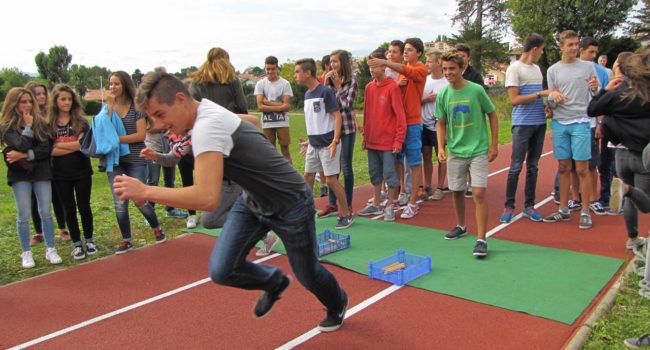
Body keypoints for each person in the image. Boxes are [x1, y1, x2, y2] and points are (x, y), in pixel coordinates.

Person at [113, 67, 349, 332]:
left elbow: (207, 198)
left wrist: (144, 191)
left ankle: (337, 302)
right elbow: (252, 121)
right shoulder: (206, 110)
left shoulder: (205, 127)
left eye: (159, 114)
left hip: (291, 203)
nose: (158, 125)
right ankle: (274, 282)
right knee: (222, 269)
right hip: (252, 201)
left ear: (180, 99)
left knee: (308, 274)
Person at [190, 47, 277, 252]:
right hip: (232, 140)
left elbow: (193, 114)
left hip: (210, 143)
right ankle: (261, 227)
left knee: (224, 201)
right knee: (235, 194)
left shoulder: (197, 83)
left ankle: (259, 227)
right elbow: (242, 112)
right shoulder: (231, 80)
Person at [435, 49, 499, 257]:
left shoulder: (476, 90)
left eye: (452, 69)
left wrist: (494, 145)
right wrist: (442, 147)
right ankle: (461, 226)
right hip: (455, 151)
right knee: (457, 191)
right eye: (444, 69)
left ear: (462, 68)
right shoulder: (443, 94)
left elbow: (492, 115)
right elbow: (441, 123)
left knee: (479, 192)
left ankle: (481, 239)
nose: (448, 73)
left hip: (478, 149)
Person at [588, 48, 650, 251]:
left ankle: (633, 238)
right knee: (646, 203)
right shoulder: (646, 95)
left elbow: (592, 110)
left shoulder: (618, 94)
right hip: (643, 154)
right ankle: (626, 190)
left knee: (630, 199)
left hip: (621, 153)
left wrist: (606, 90)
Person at [101, 71, 165, 254]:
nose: (112, 87)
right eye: (110, 84)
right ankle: (126, 240)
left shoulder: (137, 108)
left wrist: (115, 139)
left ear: (125, 85)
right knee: (120, 201)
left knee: (139, 198)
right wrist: (110, 108)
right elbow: (103, 130)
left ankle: (157, 228)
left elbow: (140, 135)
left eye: (116, 84)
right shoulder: (107, 109)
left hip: (136, 158)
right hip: (115, 161)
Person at [543, 30, 599, 230]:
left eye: (576, 44)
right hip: (560, 123)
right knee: (564, 167)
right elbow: (551, 100)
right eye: (570, 44)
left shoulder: (588, 67)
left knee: (582, 168)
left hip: (581, 122)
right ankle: (564, 210)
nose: (574, 48)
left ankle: (585, 211)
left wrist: (594, 88)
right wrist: (553, 97)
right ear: (561, 47)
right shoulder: (553, 70)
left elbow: (596, 93)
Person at [1, 87, 63, 268]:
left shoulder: (40, 123)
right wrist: (27, 128)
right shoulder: (6, 126)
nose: (27, 105)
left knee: (45, 212)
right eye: (23, 102)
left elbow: (45, 149)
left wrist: (23, 155)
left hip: (41, 172)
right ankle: (26, 252)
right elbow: (19, 144)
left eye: (30, 101)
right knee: (24, 214)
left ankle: (50, 248)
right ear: (14, 104)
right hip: (19, 175)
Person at [369, 38, 429, 219]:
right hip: (398, 123)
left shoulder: (420, 69)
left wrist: (385, 62)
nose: (406, 53)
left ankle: (412, 203)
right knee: (397, 160)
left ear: (418, 53)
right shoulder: (401, 73)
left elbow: (407, 71)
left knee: (414, 162)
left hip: (412, 122)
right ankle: (400, 194)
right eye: (406, 50)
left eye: (410, 50)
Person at [500, 33, 554, 223]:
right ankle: (509, 206)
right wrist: (541, 94)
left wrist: (546, 106)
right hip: (522, 124)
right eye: (542, 49)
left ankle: (529, 206)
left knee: (533, 166)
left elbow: (536, 96)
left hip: (539, 123)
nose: (542, 53)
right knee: (515, 167)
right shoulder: (514, 69)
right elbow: (514, 100)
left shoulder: (537, 69)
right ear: (535, 49)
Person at [295, 58, 354, 229]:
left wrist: (335, 141)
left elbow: (337, 117)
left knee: (331, 181)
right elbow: (315, 121)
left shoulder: (325, 92)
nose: (295, 75)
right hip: (314, 145)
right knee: (308, 177)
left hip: (328, 144)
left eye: (297, 71)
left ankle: (347, 213)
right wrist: (308, 141)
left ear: (308, 73)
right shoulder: (307, 95)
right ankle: (305, 211)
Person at [357, 49, 407, 221]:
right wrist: (365, 137)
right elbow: (367, 113)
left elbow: (400, 116)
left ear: (383, 66)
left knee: (390, 174)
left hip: (388, 142)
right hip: (372, 141)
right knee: (374, 173)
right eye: (370, 65)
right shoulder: (369, 87)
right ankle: (376, 203)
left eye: (375, 65)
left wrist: (398, 140)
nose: (372, 69)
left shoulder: (392, 86)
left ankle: (391, 205)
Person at [48, 84, 96, 260]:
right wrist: (73, 145)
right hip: (60, 174)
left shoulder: (81, 122)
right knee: (69, 208)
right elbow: (49, 151)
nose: (66, 102)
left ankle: (89, 240)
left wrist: (60, 145)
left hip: (82, 171)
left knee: (84, 206)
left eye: (69, 99)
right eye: (63, 99)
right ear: (56, 101)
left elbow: (83, 146)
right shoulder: (49, 124)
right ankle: (76, 244)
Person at [24, 81, 69, 243]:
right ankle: (39, 232)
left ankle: (63, 228)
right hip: (33, 164)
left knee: (57, 196)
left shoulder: (52, 115)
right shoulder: (27, 116)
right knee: (34, 198)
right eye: (37, 94)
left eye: (44, 93)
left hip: (53, 161)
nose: (42, 96)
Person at [320, 50, 357, 217]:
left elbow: (346, 105)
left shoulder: (352, 81)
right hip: (330, 130)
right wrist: (328, 83)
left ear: (343, 63)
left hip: (346, 129)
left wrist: (338, 87)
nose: (333, 65)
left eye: (336, 61)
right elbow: (324, 104)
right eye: (331, 62)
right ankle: (332, 204)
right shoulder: (327, 81)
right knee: (331, 170)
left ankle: (347, 204)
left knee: (346, 168)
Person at [579, 36, 610, 216]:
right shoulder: (569, 68)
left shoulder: (600, 72)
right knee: (573, 165)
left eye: (595, 52)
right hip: (574, 121)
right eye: (591, 52)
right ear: (581, 50)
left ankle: (592, 199)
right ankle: (574, 198)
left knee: (592, 164)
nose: (594, 55)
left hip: (590, 123)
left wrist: (599, 122)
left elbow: (602, 99)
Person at [455, 44, 486, 199]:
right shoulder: (452, 74)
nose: (460, 58)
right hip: (457, 120)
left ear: (468, 58)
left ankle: (472, 182)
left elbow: (481, 98)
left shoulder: (474, 76)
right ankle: (461, 182)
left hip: (472, 119)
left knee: (472, 150)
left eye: (463, 56)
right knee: (460, 150)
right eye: (458, 55)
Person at [421, 50, 449, 201]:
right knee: (426, 154)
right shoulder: (425, 80)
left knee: (441, 156)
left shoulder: (447, 82)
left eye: (430, 61)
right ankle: (427, 186)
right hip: (424, 123)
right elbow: (416, 100)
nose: (427, 64)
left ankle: (440, 187)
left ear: (439, 62)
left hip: (439, 125)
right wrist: (426, 98)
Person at [255, 55, 293, 163]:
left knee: (285, 151)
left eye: (273, 69)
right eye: (268, 69)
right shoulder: (260, 83)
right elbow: (260, 107)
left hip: (282, 122)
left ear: (277, 68)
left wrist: (268, 102)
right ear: (265, 68)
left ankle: (290, 177)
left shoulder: (285, 83)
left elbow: (287, 106)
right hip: (267, 123)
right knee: (270, 152)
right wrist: (279, 106)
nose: (270, 71)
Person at [144, 127, 188, 218]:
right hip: (153, 147)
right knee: (153, 181)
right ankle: (149, 212)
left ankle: (170, 209)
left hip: (170, 146)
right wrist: (163, 126)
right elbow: (146, 127)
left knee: (170, 180)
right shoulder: (146, 113)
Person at [189, 47, 248, 114]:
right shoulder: (232, 79)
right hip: (228, 120)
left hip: (203, 121)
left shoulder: (196, 81)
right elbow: (242, 106)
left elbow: (190, 105)